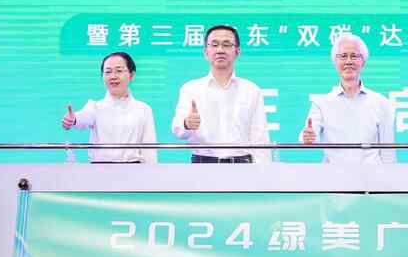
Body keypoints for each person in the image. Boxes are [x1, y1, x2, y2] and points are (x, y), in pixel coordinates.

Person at [171, 24, 271, 163]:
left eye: (226, 44)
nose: (220, 50)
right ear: (206, 52)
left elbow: (260, 137)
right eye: (214, 44)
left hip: (242, 164)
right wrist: (187, 124)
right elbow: (178, 130)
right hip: (203, 163)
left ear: (237, 51)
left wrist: (264, 171)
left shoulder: (251, 90)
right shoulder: (190, 88)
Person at [300, 33, 396, 164]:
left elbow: (388, 152)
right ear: (335, 61)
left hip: (371, 175)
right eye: (343, 56)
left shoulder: (381, 103)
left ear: (363, 62)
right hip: (334, 174)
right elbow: (309, 138)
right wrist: (308, 137)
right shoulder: (321, 103)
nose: (348, 61)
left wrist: (390, 175)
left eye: (354, 56)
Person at [61, 51, 157, 164]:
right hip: (99, 169)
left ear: (131, 75)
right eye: (108, 72)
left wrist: (152, 172)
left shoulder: (143, 109)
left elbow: (149, 150)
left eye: (119, 71)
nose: (113, 76)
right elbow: (84, 117)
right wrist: (73, 119)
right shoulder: (95, 107)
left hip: (133, 169)